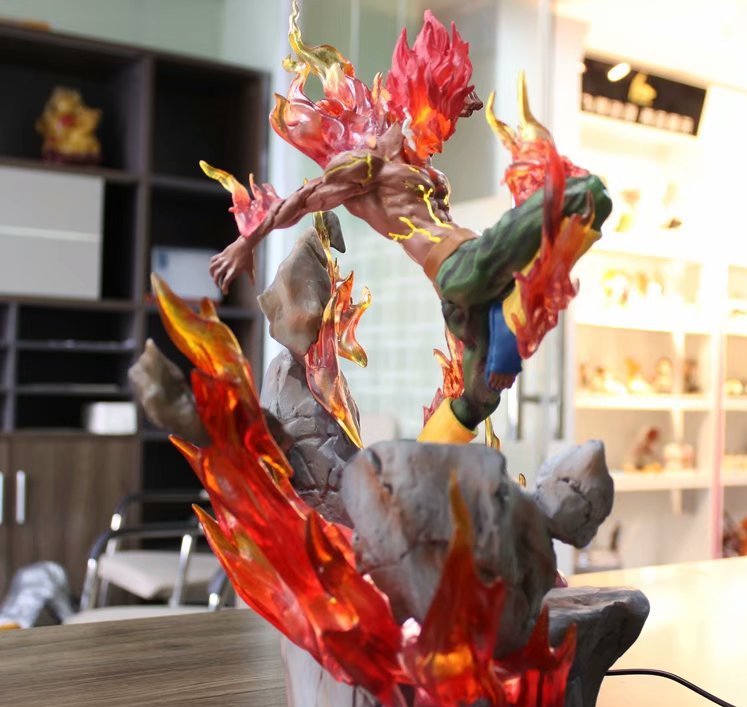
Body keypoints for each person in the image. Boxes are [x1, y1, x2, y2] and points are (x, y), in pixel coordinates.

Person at [204, 6, 610, 439]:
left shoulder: (420, 164)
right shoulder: (369, 165)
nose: (442, 134)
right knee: (584, 193)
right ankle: (512, 308)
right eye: (439, 115)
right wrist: (246, 242)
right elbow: (304, 198)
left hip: (458, 296)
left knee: (477, 400)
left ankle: (425, 464)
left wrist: (459, 103)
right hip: (463, 268)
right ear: (413, 103)